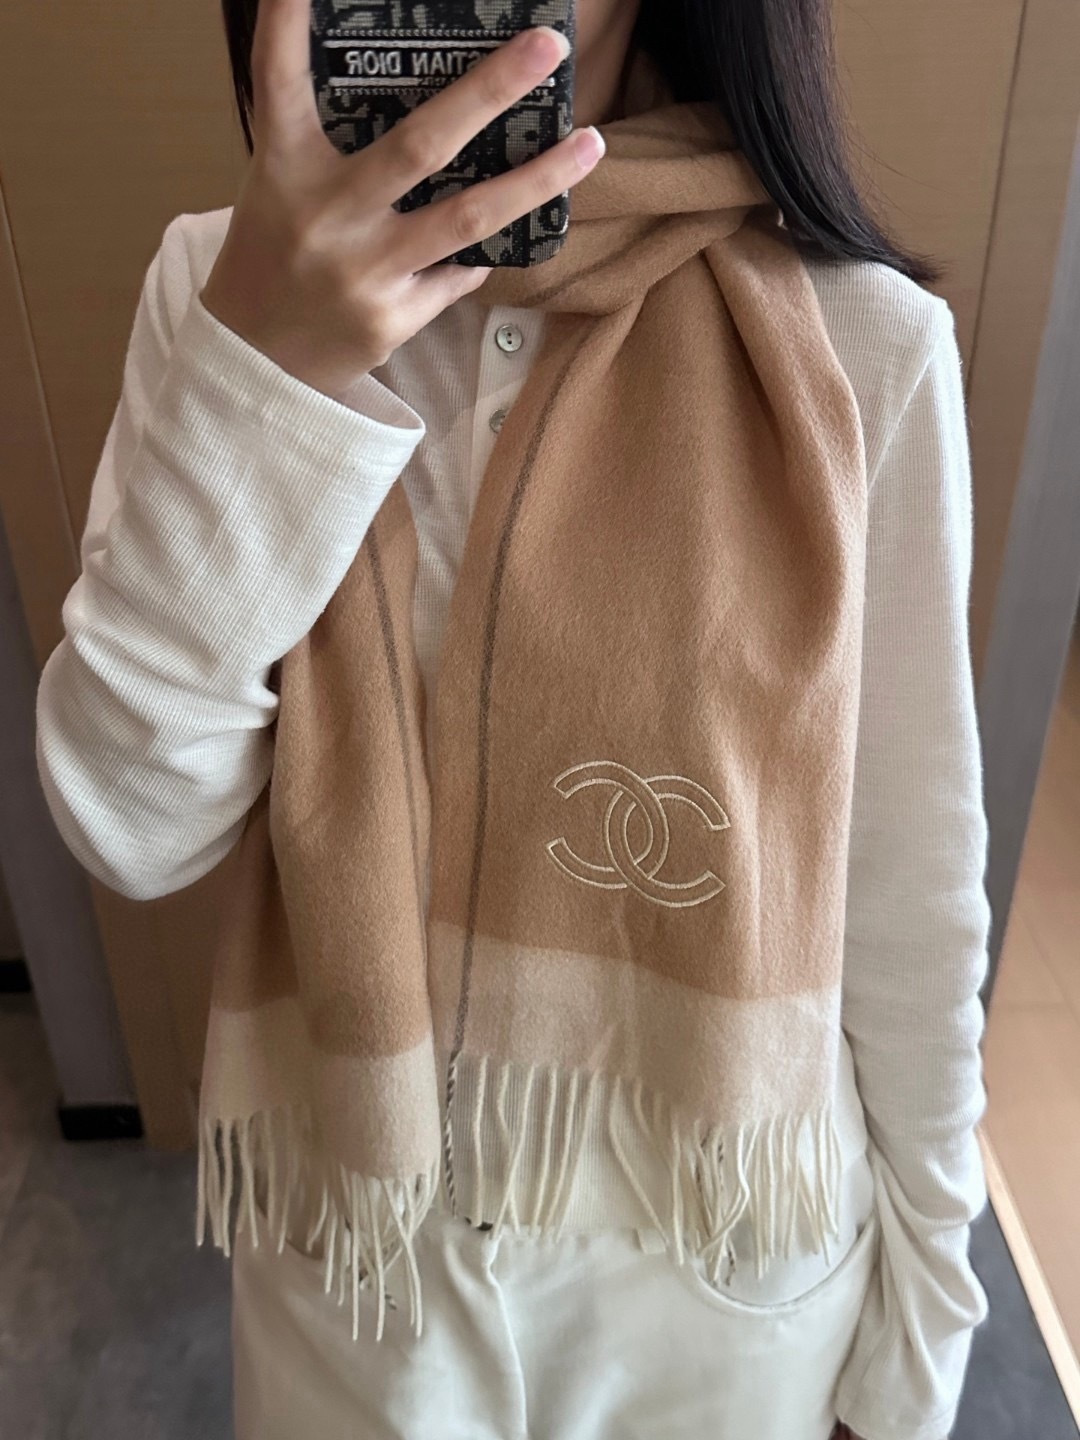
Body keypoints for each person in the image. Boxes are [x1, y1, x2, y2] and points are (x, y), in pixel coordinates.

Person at [34, 0, 993, 1437]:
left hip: (720, 1284)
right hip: (359, 1285)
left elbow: (912, 898)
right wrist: (271, 379)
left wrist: (914, 1368)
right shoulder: (220, 291)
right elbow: (132, 825)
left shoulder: (857, 340)